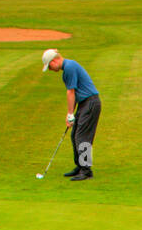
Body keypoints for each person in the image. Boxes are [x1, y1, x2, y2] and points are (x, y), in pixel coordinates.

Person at [41, 49, 101, 181]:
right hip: (84, 104)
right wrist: (70, 114)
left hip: (90, 103)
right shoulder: (67, 69)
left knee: (82, 137)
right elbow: (73, 95)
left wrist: (70, 113)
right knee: (74, 135)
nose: (50, 70)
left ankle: (86, 171)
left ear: (54, 61)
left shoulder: (69, 67)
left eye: (49, 66)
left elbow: (71, 92)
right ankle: (80, 166)